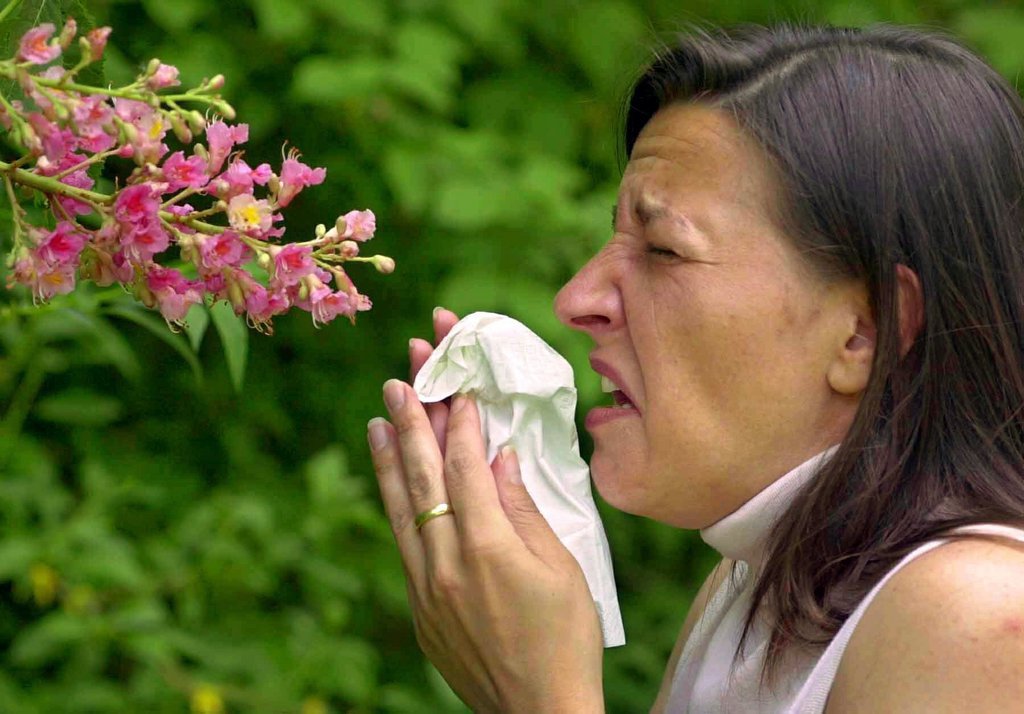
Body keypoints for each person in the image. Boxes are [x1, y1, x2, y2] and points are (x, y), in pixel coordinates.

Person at [366, 22, 1024, 712]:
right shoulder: (750, 588)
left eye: (663, 250)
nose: (577, 299)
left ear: (865, 332)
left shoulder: (978, 616)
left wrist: (543, 697)